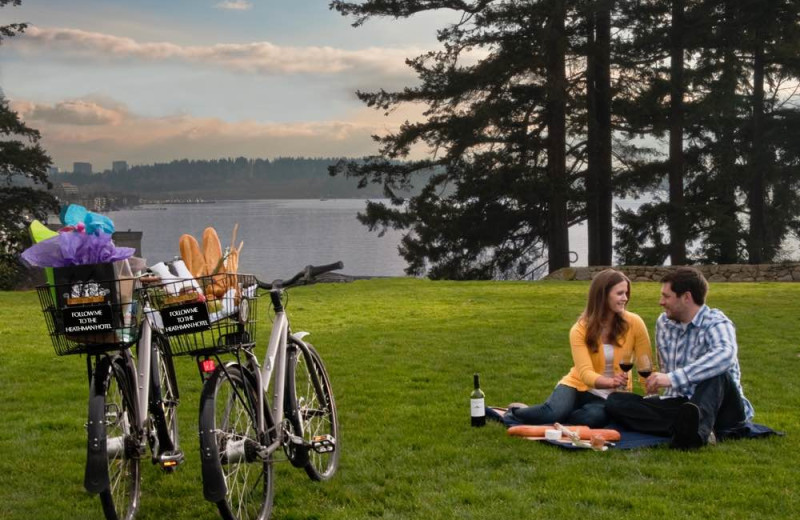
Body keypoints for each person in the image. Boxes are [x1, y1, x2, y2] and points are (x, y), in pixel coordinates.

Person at [605, 266, 753, 450]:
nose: (661, 302)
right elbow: (665, 369)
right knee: (616, 402)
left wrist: (672, 378)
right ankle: (690, 429)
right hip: (681, 404)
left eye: (666, 296)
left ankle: (695, 431)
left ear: (686, 297)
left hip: (723, 409)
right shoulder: (664, 322)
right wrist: (655, 390)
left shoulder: (716, 322)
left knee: (718, 374)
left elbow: (725, 355)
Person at [505, 269, 652, 428]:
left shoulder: (635, 323)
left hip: (609, 396)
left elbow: (646, 364)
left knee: (592, 419)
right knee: (552, 413)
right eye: (620, 293)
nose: (625, 298)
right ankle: (516, 411)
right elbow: (585, 373)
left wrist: (651, 394)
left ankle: (566, 414)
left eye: (626, 293)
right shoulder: (580, 329)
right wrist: (610, 381)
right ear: (603, 295)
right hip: (576, 385)